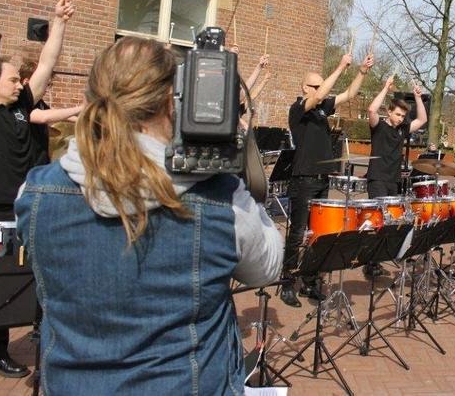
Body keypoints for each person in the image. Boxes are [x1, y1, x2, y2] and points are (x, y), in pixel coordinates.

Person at [14, 36, 283, 393]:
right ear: (173, 102)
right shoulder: (222, 200)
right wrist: (240, 186)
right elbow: (267, 267)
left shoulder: (34, 194)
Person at [0, 0, 74, 379]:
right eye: (11, 79)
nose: (18, 84)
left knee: (10, 280)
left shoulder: (23, 105)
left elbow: (46, 63)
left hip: (18, 208)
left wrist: (59, 22)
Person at [281, 52, 374, 307]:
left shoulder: (322, 109)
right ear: (305, 87)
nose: (320, 89)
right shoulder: (298, 109)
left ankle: (309, 281)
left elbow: (349, 94)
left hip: (322, 180)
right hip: (304, 179)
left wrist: (361, 72)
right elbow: (319, 95)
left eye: (320, 85)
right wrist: (340, 67)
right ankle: (287, 282)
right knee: (297, 233)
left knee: (319, 234)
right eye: (315, 85)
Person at [366, 76, 427, 198]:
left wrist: (418, 97)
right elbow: (372, 110)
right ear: (389, 112)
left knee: (393, 211)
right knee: (380, 210)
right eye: (398, 114)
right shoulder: (378, 126)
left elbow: (422, 120)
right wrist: (386, 88)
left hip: (394, 181)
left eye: (403, 116)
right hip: (377, 180)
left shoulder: (402, 129)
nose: (400, 118)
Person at [18, 59, 83, 165]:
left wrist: (81, 120)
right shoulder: (20, 102)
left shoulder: (39, 102)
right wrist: (82, 108)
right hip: (26, 165)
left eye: (49, 85)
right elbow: (44, 117)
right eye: (46, 85)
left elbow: (53, 113)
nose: (47, 89)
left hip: (40, 162)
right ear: (26, 82)